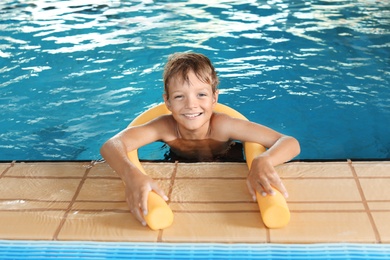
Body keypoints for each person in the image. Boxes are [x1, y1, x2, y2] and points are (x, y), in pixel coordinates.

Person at [100, 52, 300, 226]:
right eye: (179, 97)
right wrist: (132, 175)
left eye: (201, 94)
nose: (191, 105)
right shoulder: (165, 127)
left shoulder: (223, 125)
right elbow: (112, 145)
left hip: (227, 158)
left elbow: (289, 142)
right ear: (167, 102)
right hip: (180, 161)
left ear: (214, 98)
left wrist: (262, 159)